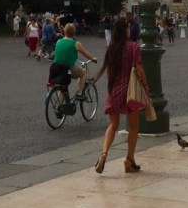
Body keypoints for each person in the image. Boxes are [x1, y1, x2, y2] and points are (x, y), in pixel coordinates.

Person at [91, 17, 146, 174]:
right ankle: (129, 159)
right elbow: (139, 70)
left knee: (113, 125)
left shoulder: (112, 48)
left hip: (114, 90)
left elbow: (109, 73)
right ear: (126, 30)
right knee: (134, 126)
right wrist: (146, 86)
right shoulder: (133, 46)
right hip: (131, 91)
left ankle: (103, 154)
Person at [50, 23, 97, 98]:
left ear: (64, 31)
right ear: (74, 32)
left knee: (63, 86)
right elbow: (86, 54)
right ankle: (79, 93)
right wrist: (93, 59)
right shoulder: (76, 43)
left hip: (56, 67)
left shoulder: (58, 41)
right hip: (68, 68)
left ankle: (60, 104)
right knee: (83, 73)